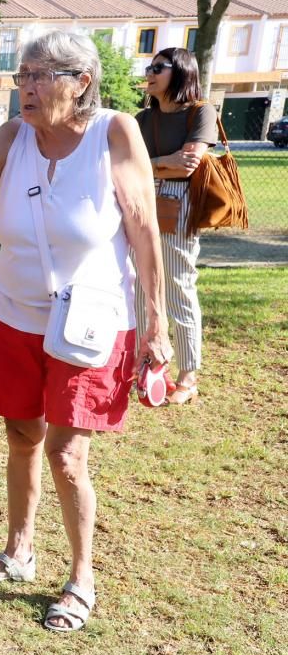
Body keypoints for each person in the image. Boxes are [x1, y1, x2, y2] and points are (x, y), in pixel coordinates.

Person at [0, 30, 173, 632]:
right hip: (13, 312)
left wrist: (156, 323)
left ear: (80, 82)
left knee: (67, 454)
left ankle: (82, 579)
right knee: (23, 437)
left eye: (39, 76)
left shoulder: (114, 133)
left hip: (90, 321)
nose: (24, 88)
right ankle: (19, 552)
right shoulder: (15, 135)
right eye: (21, 75)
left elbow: (142, 228)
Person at [135, 47, 218, 405]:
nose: (149, 72)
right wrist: (163, 162)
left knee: (178, 286)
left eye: (158, 67)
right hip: (140, 199)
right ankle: (151, 364)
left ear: (181, 71)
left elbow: (188, 166)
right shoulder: (142, 118)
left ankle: (188, 374)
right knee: (141, 286)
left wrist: (150, 165)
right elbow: (126, 165)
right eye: (150, 67)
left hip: (178, 204)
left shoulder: (201, 112)